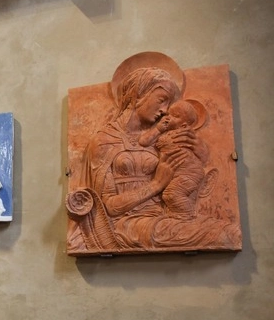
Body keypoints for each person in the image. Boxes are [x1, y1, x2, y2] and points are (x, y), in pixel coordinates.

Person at [74, 66, 239, 250]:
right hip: (129, 225)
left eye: (168, 104)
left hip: (164, 217)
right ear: (139, 94)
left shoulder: (161, 135)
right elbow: (109, 208)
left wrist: (200, 150)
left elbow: (190, 170)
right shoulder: (104, 141)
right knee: (221, 235)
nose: (165, 110)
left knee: (227, 231)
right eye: (161, 100)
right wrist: (156, 184)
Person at [138, 99, 209, 219]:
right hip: (179, 173)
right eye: (168, 114)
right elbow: (143, 141)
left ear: (184, 126)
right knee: (171, 195)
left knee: (171, 194)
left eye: (175, 116)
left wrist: (159, 130)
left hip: (190, 173)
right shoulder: (166, 133)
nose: (168, 117)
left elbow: (146, 141)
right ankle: (181, 215)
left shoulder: (178, 136)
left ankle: (187, 216)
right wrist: (159, 129)